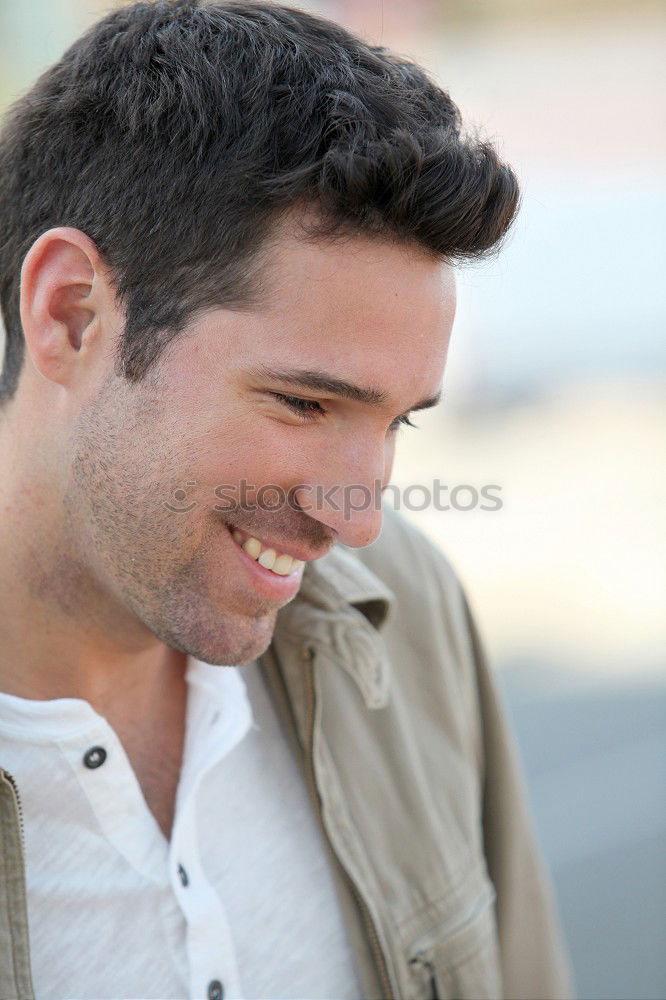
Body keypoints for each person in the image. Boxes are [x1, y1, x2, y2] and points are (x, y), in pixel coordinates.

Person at [0, 2, 574, 998]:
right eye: (306, 401)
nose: (357, 521)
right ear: (71, 313)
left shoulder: (404, 608)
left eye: (401, 419)